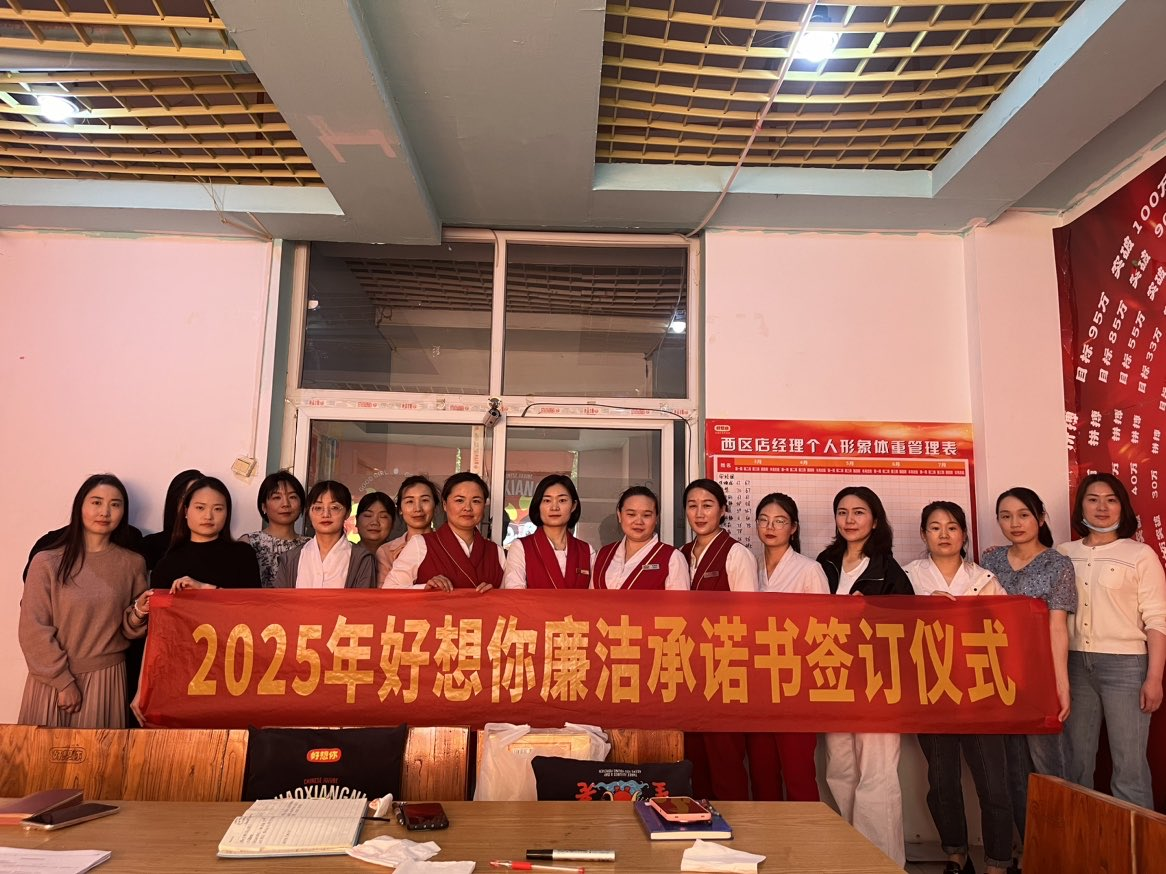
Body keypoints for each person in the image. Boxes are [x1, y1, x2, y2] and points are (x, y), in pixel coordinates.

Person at [905, 501, 1011, 874]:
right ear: (923, 534)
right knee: (942, 780)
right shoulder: (908, 577)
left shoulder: (985, 579)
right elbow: (888, 627)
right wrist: (921, 607)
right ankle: (956, 854)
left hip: (979, 691)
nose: (944, 535)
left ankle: (998, 862)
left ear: (964, 534)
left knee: (993, 783)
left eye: (952, 527)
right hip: (930, 692)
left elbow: (1008, 631)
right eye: (935, 527)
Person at [815, 485, 910, 867]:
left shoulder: (889, 569)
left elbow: (907, 626)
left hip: (877, 682)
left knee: (876, 772)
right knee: (839, 769)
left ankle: (881, 862)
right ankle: (850, 853)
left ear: (875, 519)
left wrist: (868, 609)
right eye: (842, 512)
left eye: (858, 512)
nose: (849, 520)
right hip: (833, 678)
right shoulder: (825, 563)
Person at [1059, 473, 1166, 809]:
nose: (1101, 507)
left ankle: (1136, 843)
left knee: (1129, 768)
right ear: (1081, 507)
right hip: (1074, 665)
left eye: (1111, 499)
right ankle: (1080, 839)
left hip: (1126, 668)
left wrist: (1154, 678)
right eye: (1093, 499)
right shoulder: (1064, 553)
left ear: (1123, 506)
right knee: (1075, 765)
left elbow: (1157, 619)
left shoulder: (1140, 555)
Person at [980, 486, 1075, 846]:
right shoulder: (990, 560)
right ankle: (1031, 850)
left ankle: (1060, 851)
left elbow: (1057, 626)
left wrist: (1061, 684)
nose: (1015, 523)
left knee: (1049, 766)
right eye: (1006, 516)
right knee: (1013, 770)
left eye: (1023, 515)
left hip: (1039, 676)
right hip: (998, 675)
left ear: (1041, 518)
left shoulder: (1058, 564)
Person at [18, 474, 152, 728]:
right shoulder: (47, 561)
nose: (105, 512)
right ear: (80, 506)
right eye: (96, 502)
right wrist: (63, 682)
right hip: (52, 682)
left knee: (101, 754)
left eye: (115, 504)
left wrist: (139, 613)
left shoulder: (132, 563)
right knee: (43, 753)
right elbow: (33, 629)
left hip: (107, 679)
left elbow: (129, 628)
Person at [678, 479, 757, 800]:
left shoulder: (736, 554)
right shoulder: (681, 555)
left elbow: (748, 619)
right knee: (694, 758)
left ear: (723, 510)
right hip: (687, 670)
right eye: (692, 506)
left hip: (725, 670)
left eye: (707, 505)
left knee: (725, 758)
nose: (699, 513)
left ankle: (734, 826)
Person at [749, 492, 826, 803]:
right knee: (761, 770)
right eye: (764, 520)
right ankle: (768, 832)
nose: (770, 527)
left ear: (793, 528)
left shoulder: (809, 569)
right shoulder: (749, 567)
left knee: (798, 772)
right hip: (756, 682)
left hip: (796, 683)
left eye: (780, 521)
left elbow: (822, 630)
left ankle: (807, 835)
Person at [384, 472, 503, 591]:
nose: (467, 508)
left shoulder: (496, 552)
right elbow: (389, 589)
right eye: (459, 500)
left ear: (484, 506)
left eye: (476, 501)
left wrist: (495, 595)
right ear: (445, 504)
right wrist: (425, 587)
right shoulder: (420, 544)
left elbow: (510, 596)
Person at [151, 476, 261, 590]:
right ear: (186, 511)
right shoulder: (167, 563)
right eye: (200, 508)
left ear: (227, 513)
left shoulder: (243, 555)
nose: (208, 516)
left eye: (217, 509)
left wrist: (206, 588)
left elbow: (252, 600)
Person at [272, 480, 376, 588]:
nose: (326, 514)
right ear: (309, 513)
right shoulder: (290, 559)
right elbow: (281, 598)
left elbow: (363, 598)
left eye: (334, 508)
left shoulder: (362, 559)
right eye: (318, 508)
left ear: (347, 512)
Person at [502, 474, 595, 588]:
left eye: (562, 500)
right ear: (538, 505)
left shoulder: (587, 551)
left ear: (573, 506)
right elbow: (515, 594)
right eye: (547, 500)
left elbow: (594, 596)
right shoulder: (520, 547)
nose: (554, 507)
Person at [593, 486, 689, 590]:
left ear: (656, 518)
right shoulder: (603, 554)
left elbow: (679, 600)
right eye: (631, 514)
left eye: (646, 515)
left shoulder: (672, 558)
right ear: (620, 516)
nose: (639, 522)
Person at [239, 471, 309, 588]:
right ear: (264, 506)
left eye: (292, 497)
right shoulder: (249, 542)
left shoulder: (310, 545)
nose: (285, 504)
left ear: (301, 504)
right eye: (277, 497)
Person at [377, 476, 439, 582]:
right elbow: (385, 590)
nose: (417, 509)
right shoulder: (386, 552)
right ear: (400, 509)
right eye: (410, 501)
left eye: (425, 500)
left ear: (435, 506)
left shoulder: (448, 545)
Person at [139, 468, 203, 572]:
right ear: (175, 500)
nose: (193, 503)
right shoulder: (151, 545)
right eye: (187, 497)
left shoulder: (222, 548)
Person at [355, 491, 397, 556]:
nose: (375, 522)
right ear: (356, 520)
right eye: (368, 515)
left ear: (393, 523)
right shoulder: (345, 554)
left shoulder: (402, 555)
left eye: (383, 516)